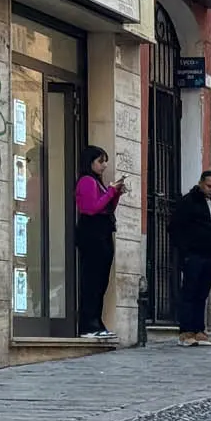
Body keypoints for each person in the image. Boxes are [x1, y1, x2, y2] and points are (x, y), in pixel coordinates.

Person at [75, 145, 124, 338]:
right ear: (90, 162)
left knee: (101, 281)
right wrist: (111, 192)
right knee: (92, 281)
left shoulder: (97, 182)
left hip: (102, 233)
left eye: (105, 161)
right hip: (92, 235)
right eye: (100, 161)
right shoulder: (87, 181)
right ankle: (88, 325)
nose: (104, 166)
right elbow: (92, 208)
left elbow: (107, 207)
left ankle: (96, 321)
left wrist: (115, 193)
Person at [172, 170, 211, 347]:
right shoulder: (188, 201)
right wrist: (185, 251)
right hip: (193, 254)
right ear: (201, 183)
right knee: (189, 292)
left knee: (202, 293)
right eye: (209, 186)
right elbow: (176, 227)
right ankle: (186, 331)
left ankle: (199, 329)